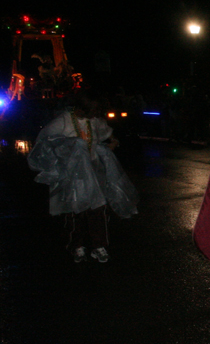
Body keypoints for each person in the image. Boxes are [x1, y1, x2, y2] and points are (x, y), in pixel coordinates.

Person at [28, 90, 138, 263]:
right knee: (75, 211)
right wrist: (66, 148)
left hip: (94, 171)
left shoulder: (93, 120)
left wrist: (112, 141)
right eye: (92, 112)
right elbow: (45, 141)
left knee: (98, 208)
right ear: (81, 109)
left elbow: (105, 132)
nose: (95, 115)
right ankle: (76, 246)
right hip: (74, 176)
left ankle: (99, 246)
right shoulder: (63, 121)